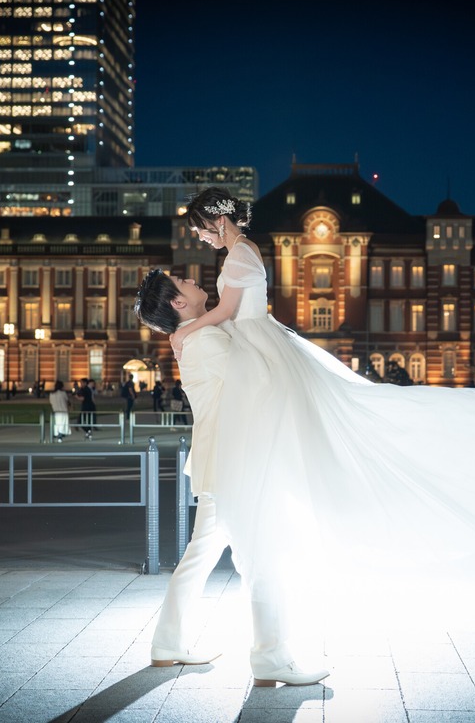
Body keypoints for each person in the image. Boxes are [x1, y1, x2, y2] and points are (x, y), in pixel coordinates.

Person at [159, 186, 475, 636]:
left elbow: (224, 313)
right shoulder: (243, 255)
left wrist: (183, 331)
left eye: (201, 229)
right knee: (313, 438)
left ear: (216, 220)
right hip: (263, 356)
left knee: (310, 444)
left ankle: (271, 622)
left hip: (260, 358)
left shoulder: (239, 254)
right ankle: (271, 623)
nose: (200, 239)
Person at [136, 270, 327, 687]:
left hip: (221, 462)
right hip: (235, 463)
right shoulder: (202, 340)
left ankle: (168, 643)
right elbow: (259, 379)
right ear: (177, 303)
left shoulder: (197, 335)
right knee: (262, 557)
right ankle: (270, 657)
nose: (191, 279)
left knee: (201, 556)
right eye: (181, 281)